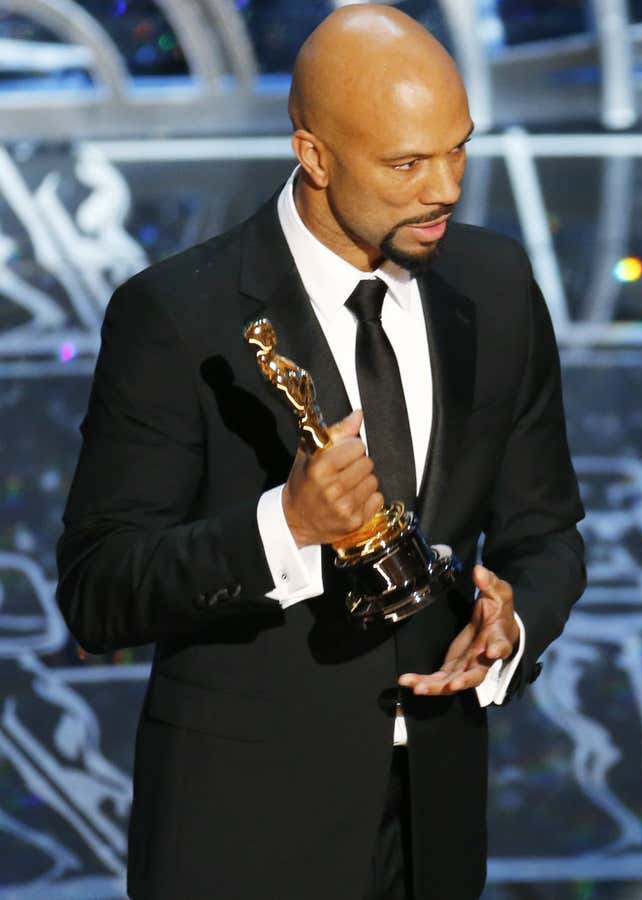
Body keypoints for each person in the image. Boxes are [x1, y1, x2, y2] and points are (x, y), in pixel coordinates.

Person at [54, 6, 585, 898]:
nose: (446, 187)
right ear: (315, 155)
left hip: (437, 830)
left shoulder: (495, 288)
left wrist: (515, 622)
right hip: (240, 836)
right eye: (408, 163)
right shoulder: (179, 314)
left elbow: (548, 529)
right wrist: (285, 526)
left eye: (459, 148)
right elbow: (97, 588)